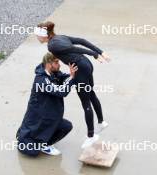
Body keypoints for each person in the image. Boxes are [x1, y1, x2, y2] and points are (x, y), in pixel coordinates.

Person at [34, 21, 109, 149]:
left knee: (86, 103)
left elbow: (75, 48)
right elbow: (82, 40)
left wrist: (96, 54)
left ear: (43, 36)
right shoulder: (59, 37)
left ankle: (91, 136)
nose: (36, 38)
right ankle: (101, 122)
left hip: (80, 69)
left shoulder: (52, 46)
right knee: (91, 94)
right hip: (86, 65)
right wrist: (100, 52)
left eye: (37, 35)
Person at [16, 52, 78, 156]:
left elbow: (64, 77)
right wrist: (71, 78)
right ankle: (23, 137)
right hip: (37, 121)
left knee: (66, 126)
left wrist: (73, 74)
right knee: (32, 152)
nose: (59, 64)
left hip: (49, 118)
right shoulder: (41, 81)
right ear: (49, 64)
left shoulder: (53, 73)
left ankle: (45, 144)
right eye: (57, 62)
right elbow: (61, 91)